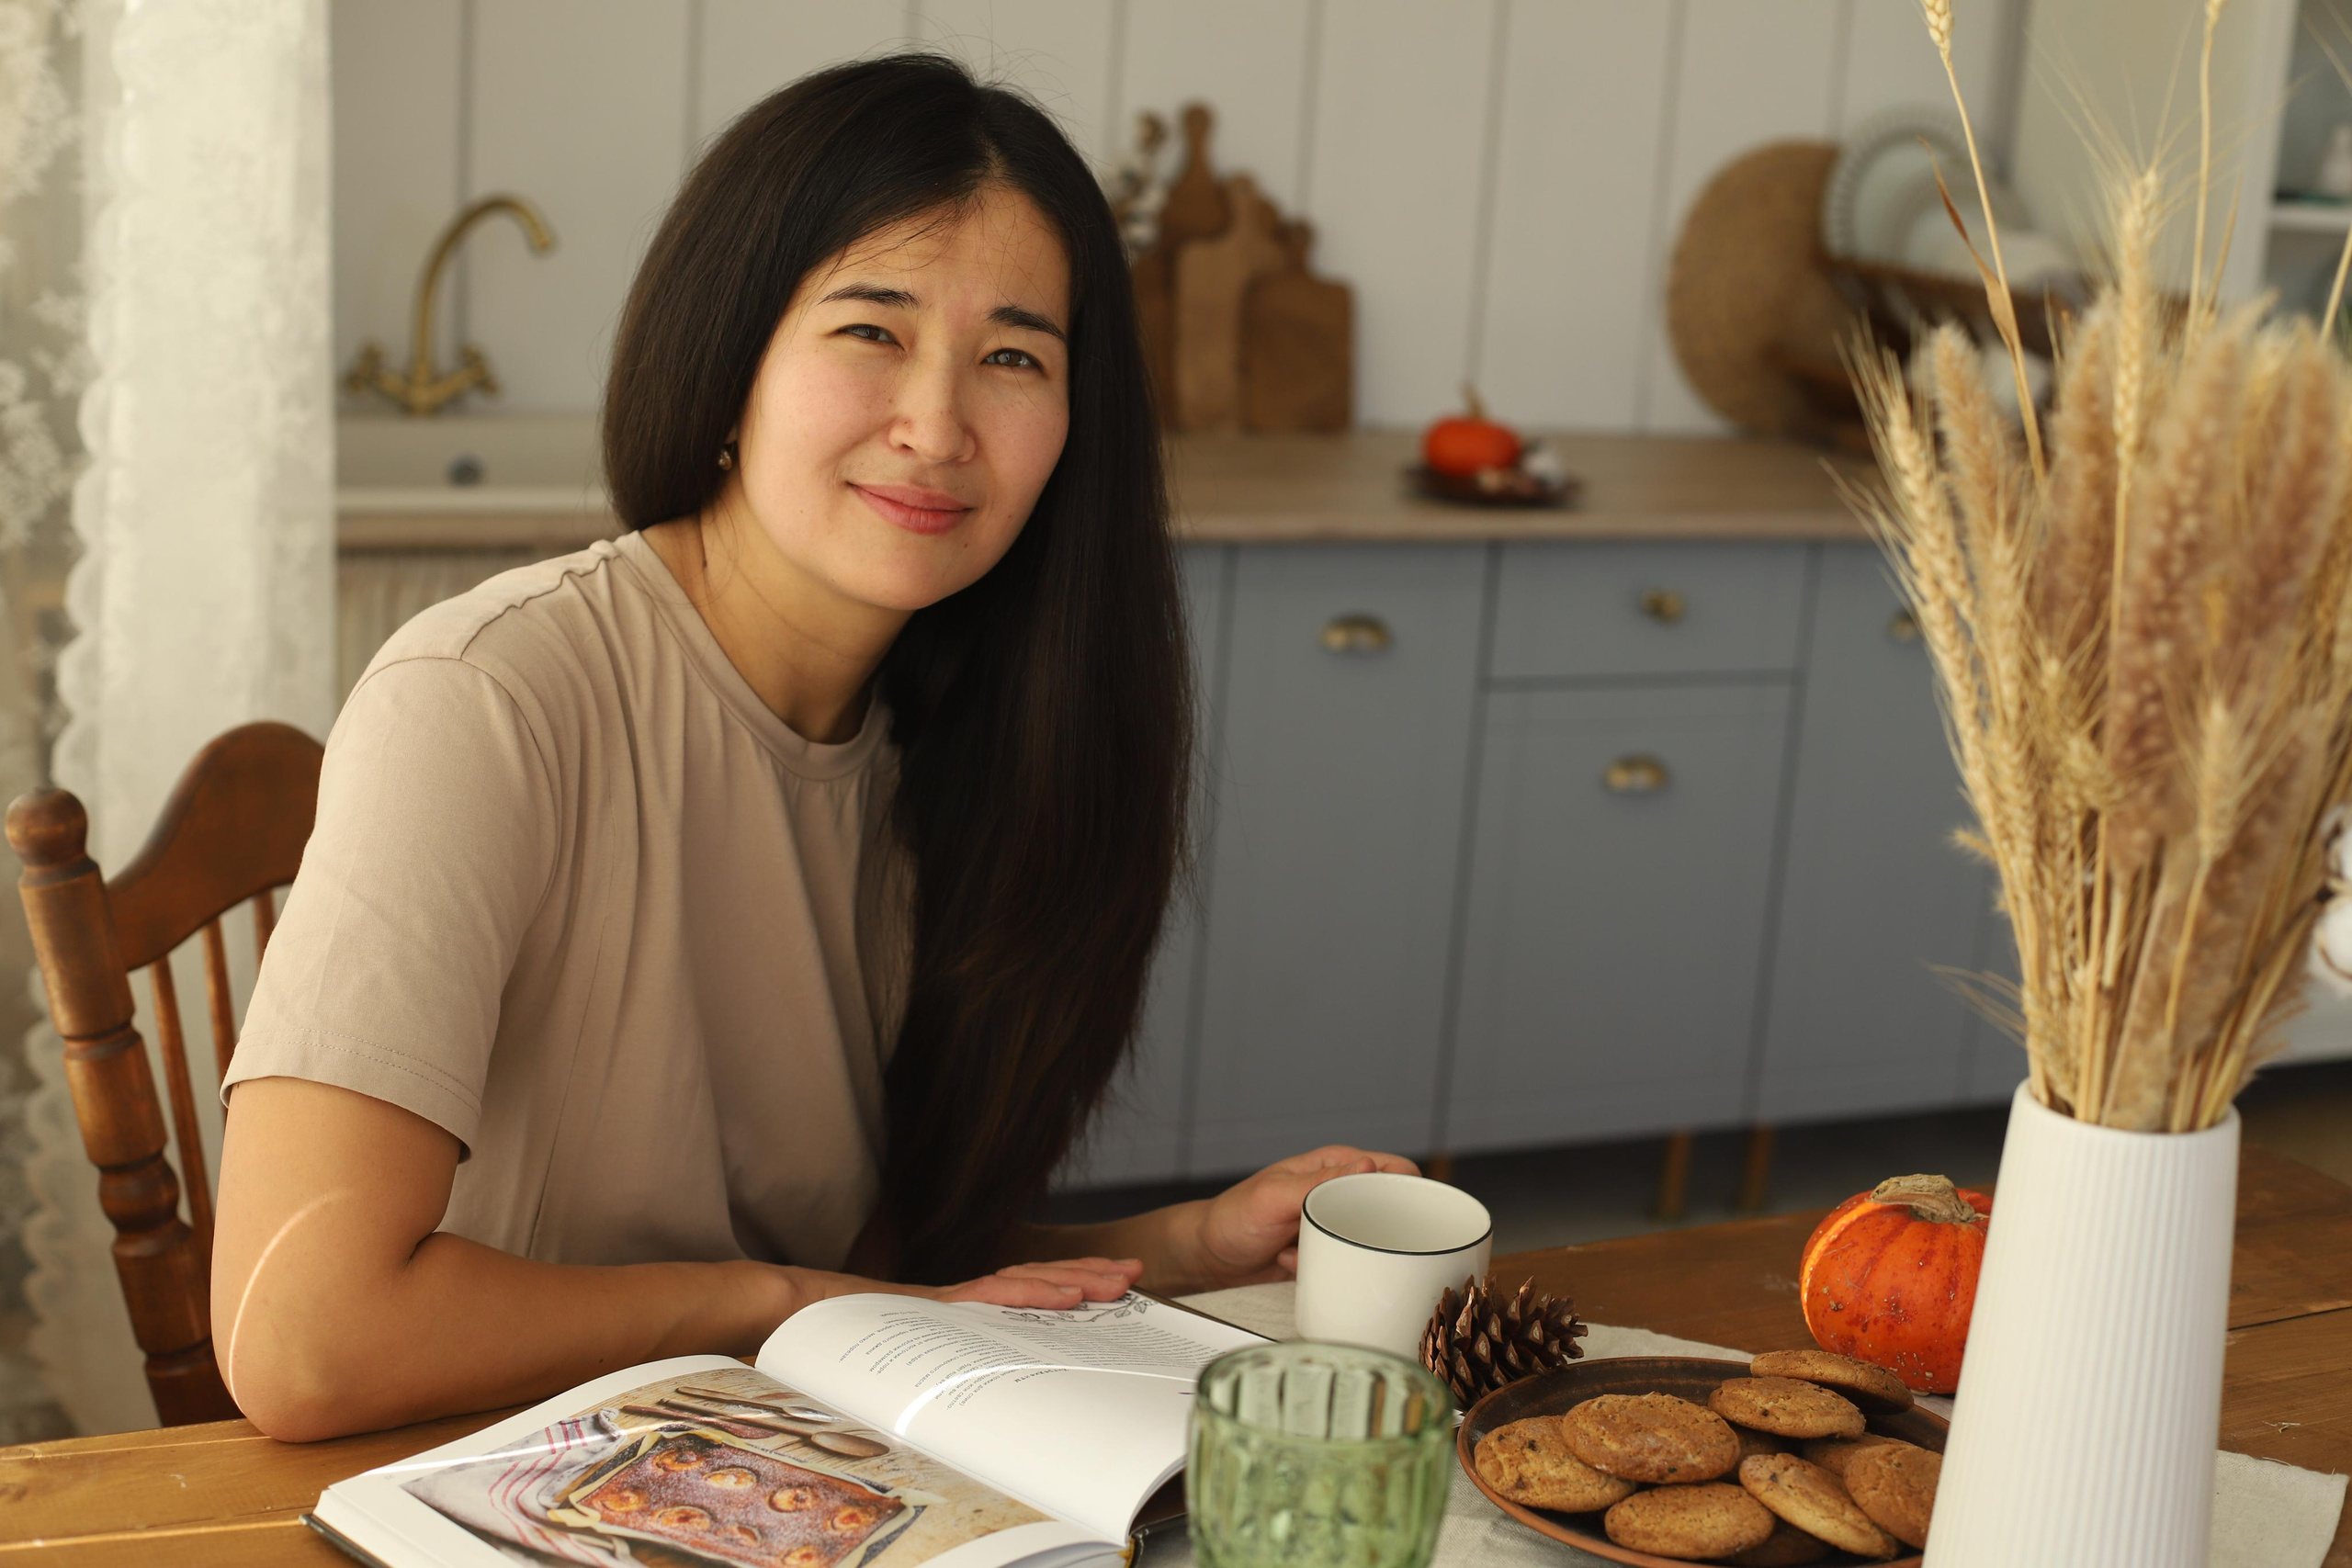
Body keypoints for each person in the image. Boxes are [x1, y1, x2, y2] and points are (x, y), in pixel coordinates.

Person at [211, 54, 1414, 1443]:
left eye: (1014, 356)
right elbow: (304, 1343)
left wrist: (1195, 1242)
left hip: (770, 1455)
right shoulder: (486, 700)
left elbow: (875, 1260)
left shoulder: (958, 743)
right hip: (469, 1473)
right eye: (870, 330)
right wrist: (782, 1302)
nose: (938, 425)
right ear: (732, 362)